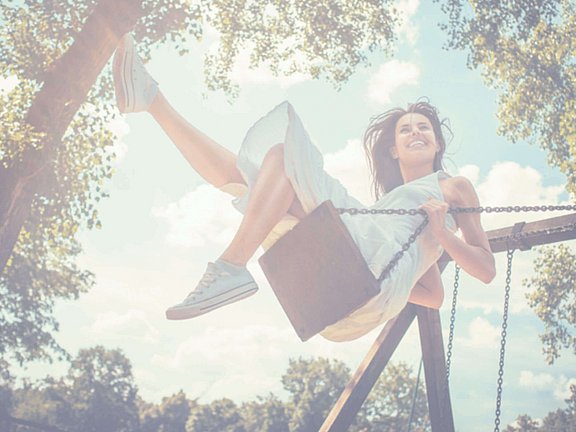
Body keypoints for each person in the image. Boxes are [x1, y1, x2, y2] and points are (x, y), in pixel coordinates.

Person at [112, 35, 496, 342]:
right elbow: (432, 294)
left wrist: (442, 234)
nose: (416, 132)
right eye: (406, 129)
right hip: (347, 290)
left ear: (438, 144)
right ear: (393, 150)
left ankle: (230, 267)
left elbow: (486, 270)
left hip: (366, 276)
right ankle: (152, 101)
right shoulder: (390, 212)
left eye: (424, 127)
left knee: (283, 156)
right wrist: (406, 258)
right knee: (254, 178)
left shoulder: (453, 187)